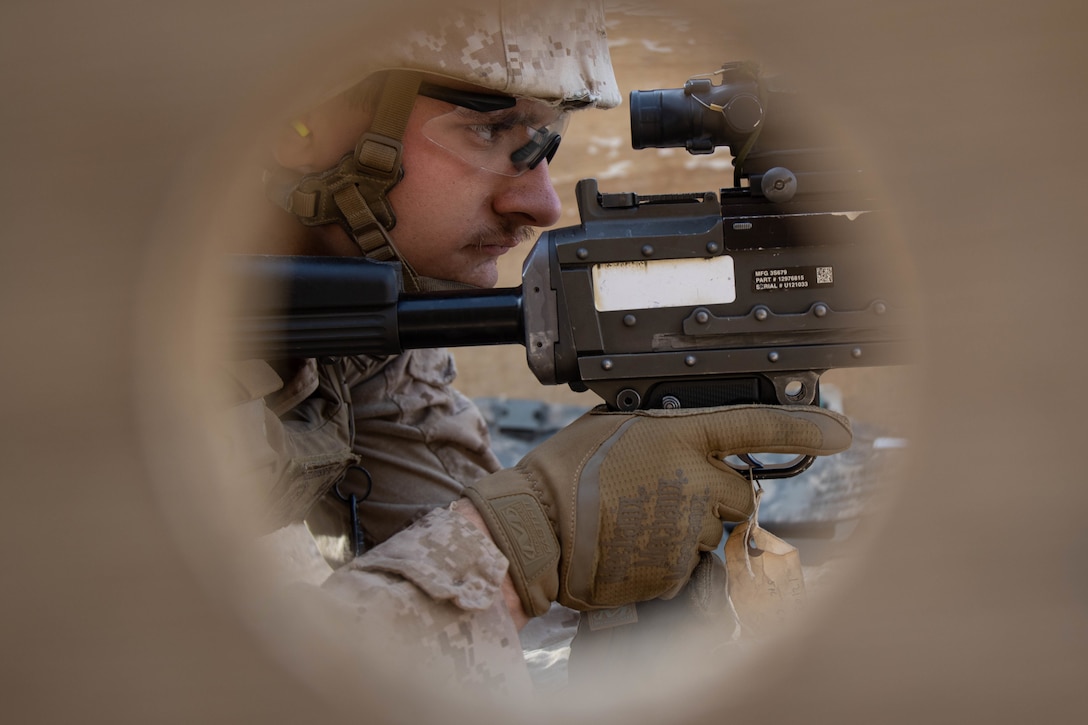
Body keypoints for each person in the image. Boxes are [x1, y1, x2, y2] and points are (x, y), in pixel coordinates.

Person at [220, 0, 853, 701]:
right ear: (299, 122)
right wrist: (532, 530)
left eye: (545, 142)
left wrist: (618, 555)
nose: (543, 202)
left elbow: (481, 614)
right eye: (490, 129)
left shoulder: (374, 320)